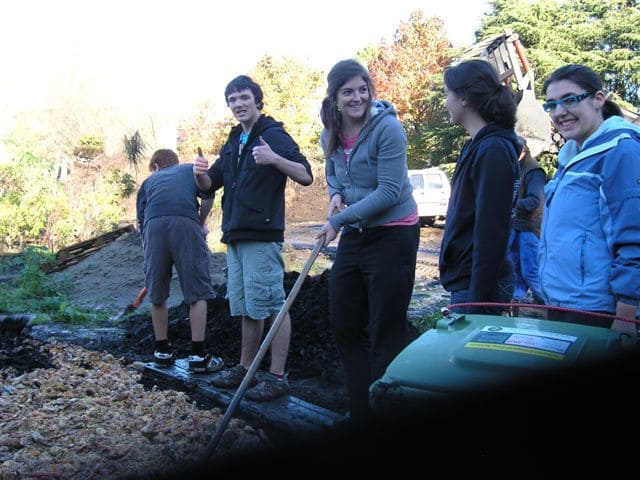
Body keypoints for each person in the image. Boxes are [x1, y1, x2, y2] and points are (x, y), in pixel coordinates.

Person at [193, 75, 313, 401]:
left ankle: (276, 377)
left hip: (262, 235)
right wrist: (200, 173)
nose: (238, 104)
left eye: (244, 97)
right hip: (235, 234)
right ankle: (246, 369)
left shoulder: (273, 135)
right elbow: (209, 185)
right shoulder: (234, 141)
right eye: (232, 100)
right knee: (249, 307)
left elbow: (305, 175)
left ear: (258, 100)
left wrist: (274, 158)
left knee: (274, 304)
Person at [315, 59, 420, 424]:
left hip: (394, 232)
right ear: (335, 97)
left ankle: (385, 415)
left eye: (363, 89)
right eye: (348, 91)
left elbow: (390, 191)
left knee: (385, 328)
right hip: (358, 233)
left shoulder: (387, 128)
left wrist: (337, 220)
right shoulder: (329, 131)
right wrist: (335, 195)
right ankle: (361, 409)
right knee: (344, 322)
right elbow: (332, 173)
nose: (357, 97)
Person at [539, 64, 640, 335]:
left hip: (599, 313)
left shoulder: (621, 151)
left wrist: (627, 315)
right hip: (564, 305)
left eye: (570, 100)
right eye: (551, 105)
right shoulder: (570, 158)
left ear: (598, 99)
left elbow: (634, 238)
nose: (559, 112)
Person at [438, 59, 520, 314]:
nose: (445, 102)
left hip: (479, 288)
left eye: (446, 94)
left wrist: (477, 301)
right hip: (468, 283)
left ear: (464, 98)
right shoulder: (477, 146)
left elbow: (491, 231)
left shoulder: (492, 150)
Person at [136, 149, 223, 373]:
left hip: (153, 227)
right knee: (197, 290)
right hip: (185, 224)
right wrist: (201, 222)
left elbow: (142, 220)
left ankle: (162, 352)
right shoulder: (189, 169)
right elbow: (209, 193)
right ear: (175, 162)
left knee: (157, 292)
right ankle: (198, 355)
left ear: (155, 166)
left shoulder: (149, 181)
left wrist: (151, 252)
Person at [509, 137, 546, 305]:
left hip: (531, 228)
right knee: (515, 267)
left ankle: (546, 302)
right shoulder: (517, 168)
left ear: (523, 151)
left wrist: (512, 204)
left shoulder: (534, 171)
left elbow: (535, 201)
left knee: (531, 270)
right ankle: (518, 300)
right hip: (518, 226)